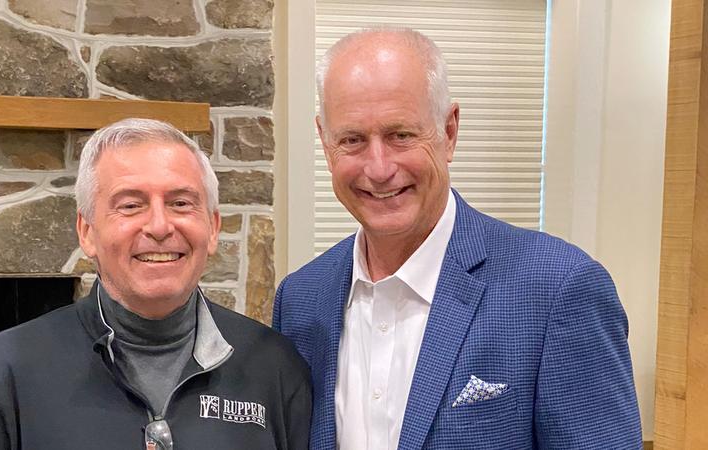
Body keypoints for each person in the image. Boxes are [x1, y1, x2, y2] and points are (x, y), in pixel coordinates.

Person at [273, 28, 641, 449]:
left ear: (448, 132)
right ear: (325, 141)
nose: (378, 168)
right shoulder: (300, 300)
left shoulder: (558, 289)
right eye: (353, 140)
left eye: (401, 135)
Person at [0, 118, 311, 450]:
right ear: (87, 232)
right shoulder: (7, 370)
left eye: (180, 203)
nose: (158, 226)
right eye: (131, 205)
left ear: (213, 228)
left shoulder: (274, 366)